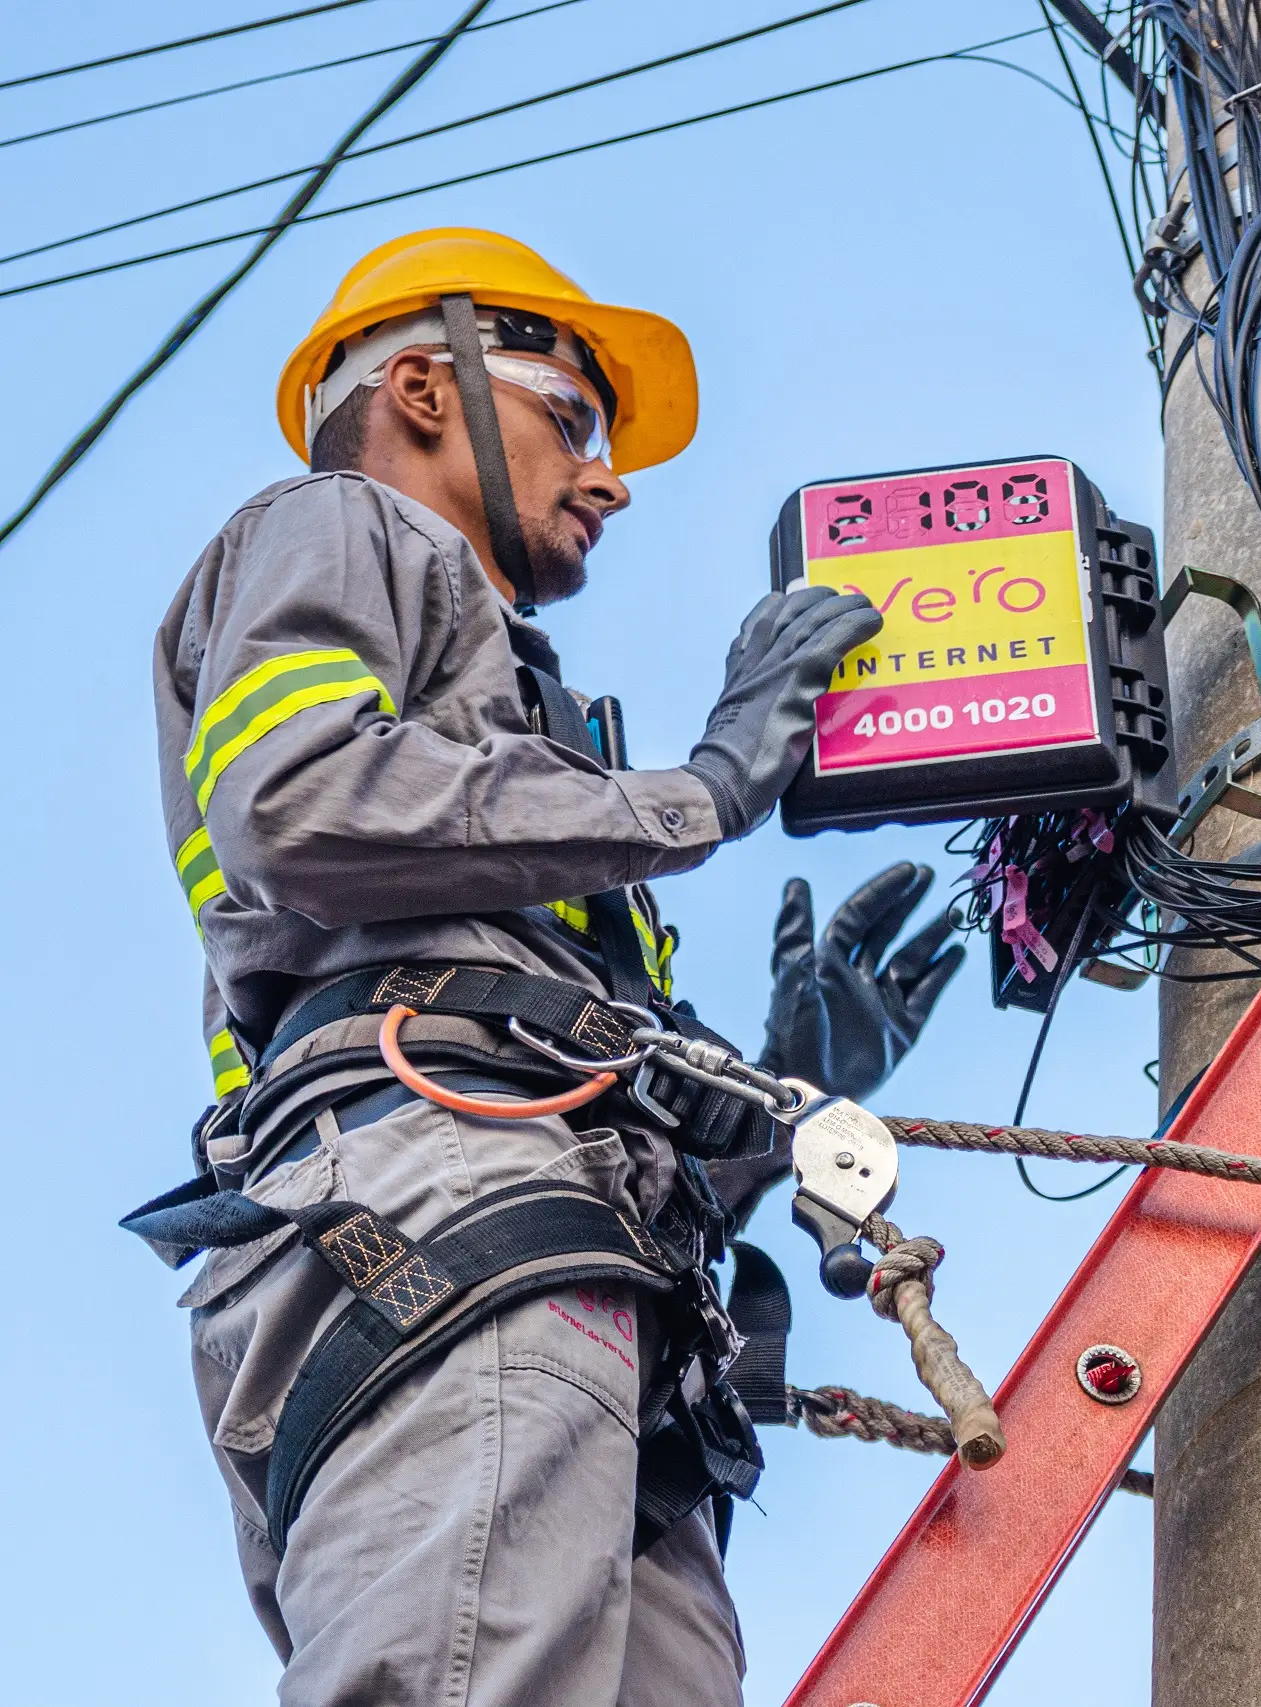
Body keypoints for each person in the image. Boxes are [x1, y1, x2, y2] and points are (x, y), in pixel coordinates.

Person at [126, 228, 961, 1706]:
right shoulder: (335, 527)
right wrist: (697, 791)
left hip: (561, 1272)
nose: (609, 475)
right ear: (426, 388)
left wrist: (773, 1090)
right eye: (572, 418)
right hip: (436, 1235)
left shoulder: (505, 726)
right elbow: (296, 796)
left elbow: (529, 1043)